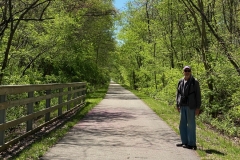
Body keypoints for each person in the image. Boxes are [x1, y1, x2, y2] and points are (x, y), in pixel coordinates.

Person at [176, 66, 201, 150]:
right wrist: (177, 105)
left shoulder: (195, 82)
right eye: (185, 70)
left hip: (191, 106)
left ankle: (192, 143)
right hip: (182, 105)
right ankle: (184, 142)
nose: (187, 72)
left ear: (190, 71)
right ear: (183, 71)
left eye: (188, 70)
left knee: (191, 125)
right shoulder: (180, 81)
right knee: (182, 125)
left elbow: (198, 95)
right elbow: (178, 94)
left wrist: (198, 107)